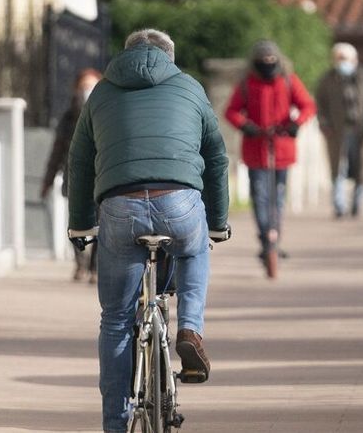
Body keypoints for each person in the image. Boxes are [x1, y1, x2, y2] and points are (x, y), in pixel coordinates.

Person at [67, 28, 231, 433]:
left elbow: (80, 161)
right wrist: (219, 223)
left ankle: (114, 424)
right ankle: (189, 327)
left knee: (116, 320)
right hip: (179, 202)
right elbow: (216, 157)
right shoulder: (189, 87)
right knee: (194, 249)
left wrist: (80, 223)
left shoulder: (101, 93)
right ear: (170, 57)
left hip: (119, 206)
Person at [224, 40, 316, 278]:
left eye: (271, 60)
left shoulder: (288, 81)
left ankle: (275, 236)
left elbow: (307, 105)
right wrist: (246, 126)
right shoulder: (247, 84)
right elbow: (231, 111)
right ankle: (266, 236)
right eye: (262, 61)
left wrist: (296, 123)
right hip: (256, 150)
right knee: (261, 197)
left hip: (282, 149)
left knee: (278, 197)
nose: (267, 64)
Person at [41, 68, 103, 282]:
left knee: (100, 222)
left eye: (92, 86)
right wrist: (47, 181)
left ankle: (95, 267)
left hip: (102, 177)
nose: (87, 91)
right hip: (75, 178)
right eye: (84, 87)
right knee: (76, 222)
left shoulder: (106, 114)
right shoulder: (69, 117)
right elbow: (57, 151)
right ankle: (80, 263)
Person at [315, 42, 363, 219]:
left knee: (361, 168)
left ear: (354, 60)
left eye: (345, 59)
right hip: (336, 131)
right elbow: (320, 106)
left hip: (360, 130)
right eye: (339, 59)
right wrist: (324, 124)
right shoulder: (327, 80)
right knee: (338, 168)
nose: (342, 63)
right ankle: (339, 205)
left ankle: (357, 203)